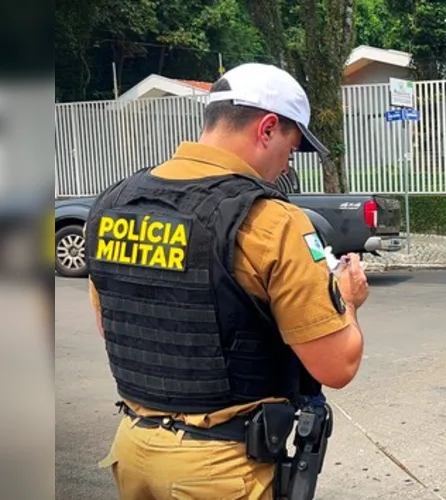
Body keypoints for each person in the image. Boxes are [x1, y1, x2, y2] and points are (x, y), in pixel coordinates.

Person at [85, 62, 370, 499]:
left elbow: (113, 323)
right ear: (268, 128)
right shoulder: (271, 221)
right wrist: (347, 300)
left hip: (132, 449)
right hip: (219, 469)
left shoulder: (113, 203)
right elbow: (336, 366)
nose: (286, 166)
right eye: (291, 150)